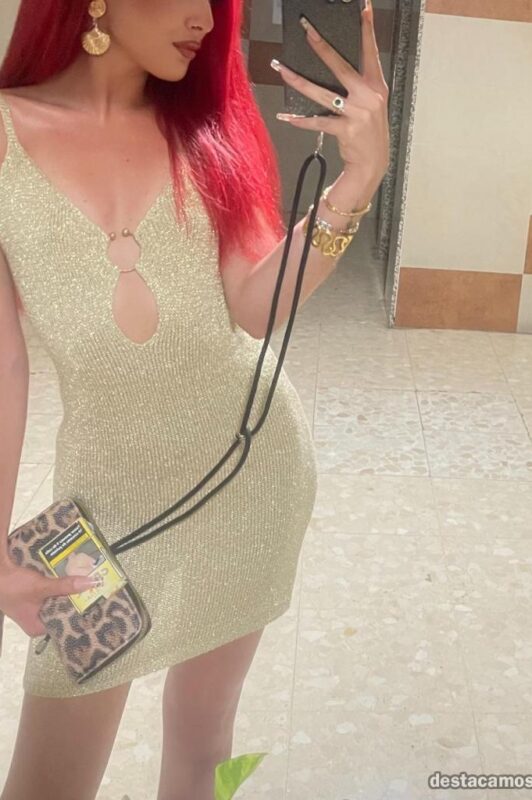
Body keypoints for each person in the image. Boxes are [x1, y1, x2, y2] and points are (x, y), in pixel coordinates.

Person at [0, 0, 389, 798]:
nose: (206, 21)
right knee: (46, 780)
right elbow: (4, 364)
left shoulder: (207, 129)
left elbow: (255, 306)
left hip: (248, 472)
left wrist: (356, 182)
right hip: (101, 507)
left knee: (204, 740)